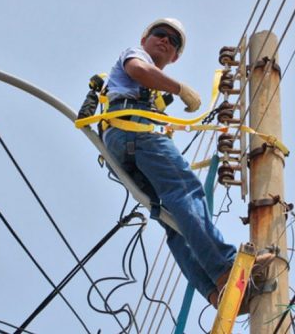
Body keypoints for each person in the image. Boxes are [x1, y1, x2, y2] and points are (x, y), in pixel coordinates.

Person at [102, 17, 258, 309]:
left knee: (173, 223)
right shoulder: (134, 56)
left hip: (121, 147)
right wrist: (180, 89)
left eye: (173, 42)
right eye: (160, 34)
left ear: (174, 57)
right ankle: (225, 269)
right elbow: (139, 70)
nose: (165, 40)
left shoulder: (152, 94)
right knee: (185, 191)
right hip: (134, 130)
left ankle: (215, 293)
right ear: (145, 38)